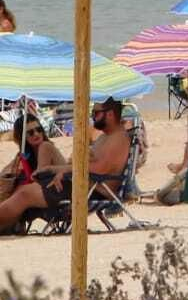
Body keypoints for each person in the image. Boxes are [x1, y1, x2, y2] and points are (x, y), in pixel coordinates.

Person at [0, 98, 130, 230]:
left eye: (96, 113)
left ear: (110, 114)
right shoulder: (106, 136)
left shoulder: (117, 138)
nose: (93, 116)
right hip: (82, 184)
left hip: (92, 190)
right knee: (22, 191)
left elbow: (100, 169)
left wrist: (61, 170)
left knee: (25, 194)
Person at [1, 113, 64, 201]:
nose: (36, 134)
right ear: (22, 137)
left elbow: (38, 180)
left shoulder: (45, 146)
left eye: (39, 130)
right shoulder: (24, 154)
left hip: (57, 193)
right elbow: (5, 174)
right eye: (30, 132)